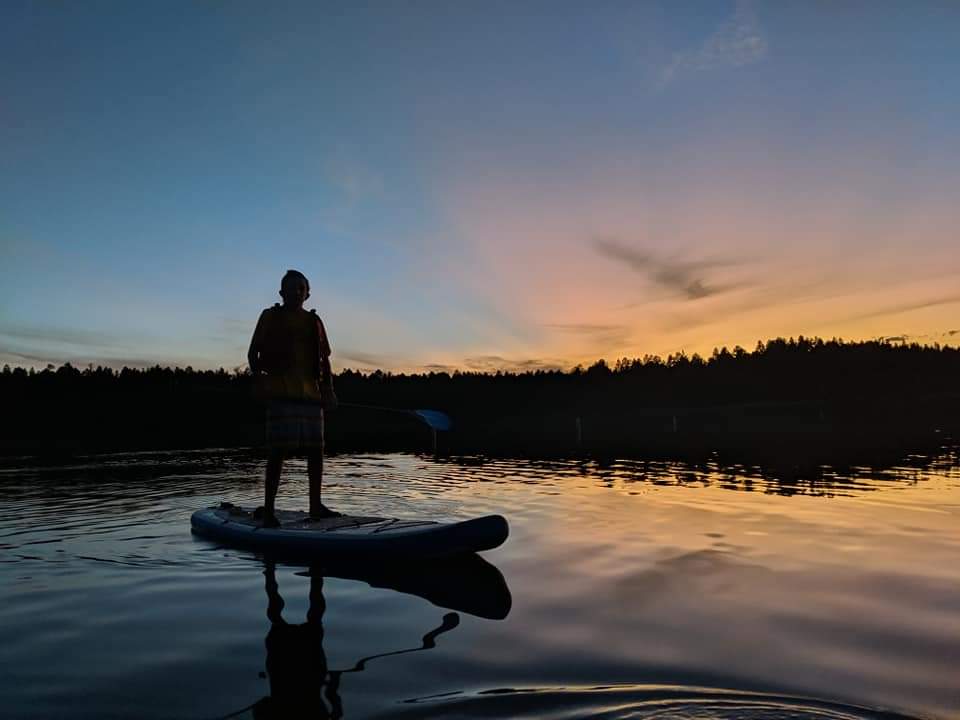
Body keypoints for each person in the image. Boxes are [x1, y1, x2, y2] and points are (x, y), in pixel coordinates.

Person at [248, 270, 338, 527]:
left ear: (307, 294)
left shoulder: (314, 322)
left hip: (311, 396)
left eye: (301, 288)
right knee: (278, 452)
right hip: (280, 393)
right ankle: (268, 509)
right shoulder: (270, 317)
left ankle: (315, 505)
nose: (296, 292)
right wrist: (259, 379)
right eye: (291, 288)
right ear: (281, 292)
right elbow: (253, 353)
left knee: (316, 452)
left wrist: (329, 390)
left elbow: (325, 359)